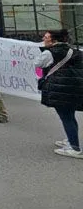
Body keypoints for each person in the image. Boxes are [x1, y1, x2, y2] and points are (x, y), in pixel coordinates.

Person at [34, 29, 83, 159]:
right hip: (73, 88)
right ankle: (70, 140)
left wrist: (44, 50)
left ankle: (75, 147)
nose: (43, 39)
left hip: (60, 89)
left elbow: (37, 63)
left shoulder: (50, 52)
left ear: (53, 40)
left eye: (45, 37)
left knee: (66, 118)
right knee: (69, 116)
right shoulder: (74, 51)